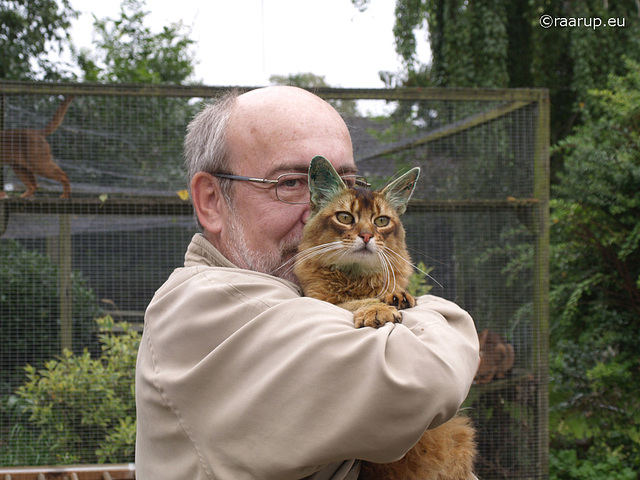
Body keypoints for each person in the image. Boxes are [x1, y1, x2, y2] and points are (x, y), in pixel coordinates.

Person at [135, 86, 480, 480]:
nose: (320, 212)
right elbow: (422, 377)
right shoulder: (211, 303)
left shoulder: (293, 299)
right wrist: (442, 317)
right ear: (212, 201)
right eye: (291, 183)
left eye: (344, 183)